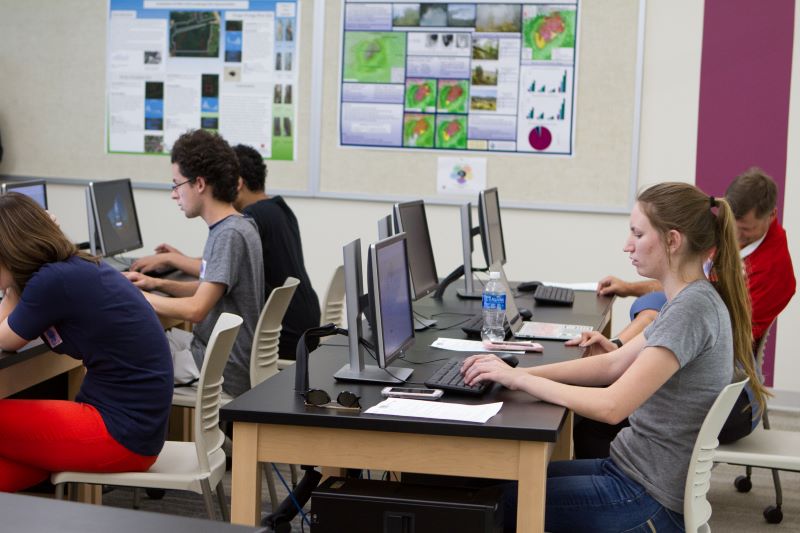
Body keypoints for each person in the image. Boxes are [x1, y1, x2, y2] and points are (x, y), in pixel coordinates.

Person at [462, 182, 768, 532]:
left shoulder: (691, 310)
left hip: (646, 498)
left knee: (495, 506)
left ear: (672, 240)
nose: (627, 245)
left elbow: (612, 407)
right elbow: (612, 364)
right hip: (634, 474)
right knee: (497, 479)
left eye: (638, 234)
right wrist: (518, 371)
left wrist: (520, 378)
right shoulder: (690, 300)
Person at [574, 168, 795, 457]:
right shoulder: (717, 251)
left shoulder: (773, 269)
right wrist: (631, 290)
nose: (737, 235)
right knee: (647, 314)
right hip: (706, 367)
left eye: (746, 230)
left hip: (735, 399)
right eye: (734, 227)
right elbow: (679, 281)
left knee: (603, 406)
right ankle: (619, 349)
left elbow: (695, 324)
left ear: (772, 215)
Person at [0, 193, 173, 492]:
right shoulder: (73, 267)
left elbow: (6, 339)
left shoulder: (51, 281)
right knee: (18, 458)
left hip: (119, 432)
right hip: (136, 428)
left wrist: (13, 281)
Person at [124, 130, 264, 397]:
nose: (174, 195)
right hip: (215, 353)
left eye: (177, 184)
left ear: (199, 184)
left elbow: (196, 309)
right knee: (146, 340)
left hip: (219, 367)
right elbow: (209, 289)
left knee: (121, 363)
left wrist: (134, 295)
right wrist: (156, 284)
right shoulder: (239, 224)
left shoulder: (229, 234)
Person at [232, 144, 321, 358]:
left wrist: (171, 264)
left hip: (284, 333)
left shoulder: (251, 217)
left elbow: (224, 268)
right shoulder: (278, 207)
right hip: (306, 323)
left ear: (237, 183)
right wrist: (178, 259)